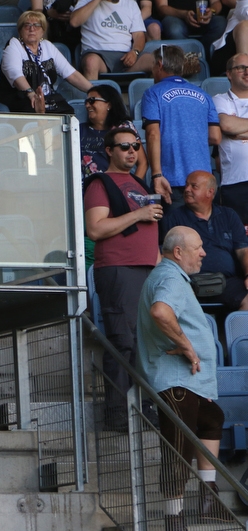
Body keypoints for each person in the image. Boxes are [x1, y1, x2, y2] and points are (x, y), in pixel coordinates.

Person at [137, 225, 229, 531]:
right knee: (178, 448)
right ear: (179, 252)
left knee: (212, 419)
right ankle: (173, 518)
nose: (204, 252)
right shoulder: (169, 277)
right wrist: (188, 347)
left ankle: (208, 496)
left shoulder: (171, 276)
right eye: (198, 247)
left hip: (189, 382)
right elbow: (161, 312)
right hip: (176, 381)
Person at [84, 127, 162, 429]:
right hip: (118, 269)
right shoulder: (101, 183)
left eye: (136, 146)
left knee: (145, 342)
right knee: (123, 341)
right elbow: (96, 229)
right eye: (124, 147)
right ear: (109, 151)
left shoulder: (138, 183)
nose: (131, 152)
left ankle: (144, 406)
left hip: (146, 269)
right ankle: (117, 412)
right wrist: (138, 215)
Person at [142, 44, 221, 212]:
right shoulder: (204, 95)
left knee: (175, 235)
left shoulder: (153, 93)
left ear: (160, 65)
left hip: (170, 180)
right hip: (202, 181)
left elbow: (152, 134)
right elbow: (215, 137)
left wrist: (156, 175)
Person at [163, 171, 248, 314]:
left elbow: (244, 251)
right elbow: (167, 255)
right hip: (188, 282)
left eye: (193, 186)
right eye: (186, 185)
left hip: (227, 281)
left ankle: (240, 336)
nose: (187, 189)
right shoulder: (174, 218)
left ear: (210, 192)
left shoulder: (228, 215)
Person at [0, 10, 92, 113]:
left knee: (67, 112)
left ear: (43, 31)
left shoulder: (47, 46)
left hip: (46, 97)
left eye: (37, 25)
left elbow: (70, 73)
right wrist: (30, 93)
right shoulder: (14, 45)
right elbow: (14, 73)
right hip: (19, 97)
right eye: (27, 25)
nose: (32, 29)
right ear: (20, 30)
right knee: (33, 110)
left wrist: (93, 90)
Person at [70, 0, 155, 80]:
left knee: (156, 62)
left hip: (125, 56)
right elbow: (74, 22)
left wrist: (134, 52)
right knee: (91, 62)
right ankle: (92, 97)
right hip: (97, 55)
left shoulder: (131, 4)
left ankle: (153, 96)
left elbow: (139, 35)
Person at [81, 83, 148, 178]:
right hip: (88, 189)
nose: (87, 105)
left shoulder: (124, 127)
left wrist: (131, 188)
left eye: (92, 101)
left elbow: (143, 163)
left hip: (118, 188)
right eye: (86, 101)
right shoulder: (78, 130)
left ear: (109, 104)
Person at [213, 53, 248, 225]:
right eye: (241, 68)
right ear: (228, 73)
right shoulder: (220, 99)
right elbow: (226, 125)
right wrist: (230, 130)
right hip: (235, 183)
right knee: (240, 240)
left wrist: (237, 133)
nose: (247, 72)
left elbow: (232, 129)